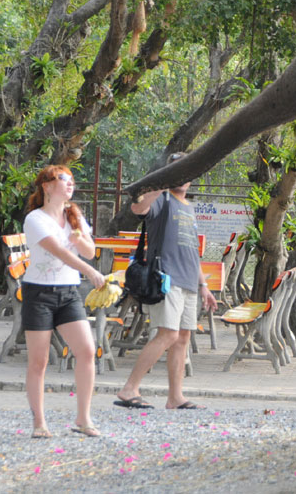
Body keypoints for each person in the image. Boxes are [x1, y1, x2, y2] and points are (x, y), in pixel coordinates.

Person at [115, 152, 218, 410]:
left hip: (188, 282)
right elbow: (138, 208)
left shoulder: (188, 208)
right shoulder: (162, 200)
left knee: (182, 338)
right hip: (166, 279)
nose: (181, 177)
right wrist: (160, 183)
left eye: (186, 172)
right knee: (168, 334)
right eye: (176, 171)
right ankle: (129, 389)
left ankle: (175, 397)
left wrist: (203, 286)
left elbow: (192, 250)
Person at [23, 165, 107, 438]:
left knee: (86, 350)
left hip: (68, 292)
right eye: (63, 179)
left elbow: (91, 251)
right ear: (47, 186)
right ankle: (39, 423)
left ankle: (83, 418)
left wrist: (79, 238)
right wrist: (90, 272)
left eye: (72, 180)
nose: (70, 184)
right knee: (39, 361)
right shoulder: (35, 219)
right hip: (39, 293)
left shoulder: (75, 215)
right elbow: (58, 252)